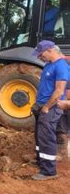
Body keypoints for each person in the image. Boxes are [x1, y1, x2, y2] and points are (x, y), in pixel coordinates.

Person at [31, 40, 68, 181]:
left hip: (51, 108)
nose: (39, 57)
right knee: (40, 136)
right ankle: (42, 161)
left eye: (41, 54)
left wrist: (46, 107)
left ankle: (49, 171)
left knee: (46, 137)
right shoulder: (49, 65)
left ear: (50, 50)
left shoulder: (61, 67)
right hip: (42, 106)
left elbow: (59, 92)